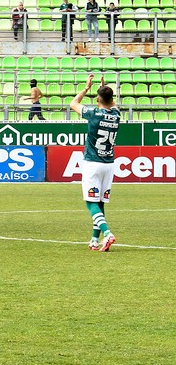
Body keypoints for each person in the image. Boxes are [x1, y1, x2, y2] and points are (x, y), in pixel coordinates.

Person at [69, 74, 118, 252]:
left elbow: (73, 104)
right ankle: (94, 240)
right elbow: (111, 104)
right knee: (100, 203)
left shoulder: (93, 114)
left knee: (90, 203)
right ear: (112, 100)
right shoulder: (117, 114)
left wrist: (86, 88)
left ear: (97, 99)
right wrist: (103, 89)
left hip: (93, 163)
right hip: (109, 164)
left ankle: (107, 233)